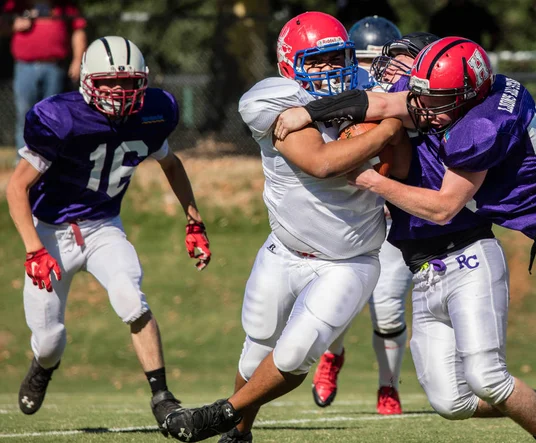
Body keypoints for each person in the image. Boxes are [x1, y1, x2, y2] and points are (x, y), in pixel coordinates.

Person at [273, 37, 536, 442]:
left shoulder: (473, 123)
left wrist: (372, 179)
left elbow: (443, 208)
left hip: (470, 253)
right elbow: (381, 104)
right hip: (422, 268)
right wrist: (307, 111)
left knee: (488, 377)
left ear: (456, 91)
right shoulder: (431, 103)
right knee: (450, 401)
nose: (397, 80)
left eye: (403, 66)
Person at [163, 11, 407, 443]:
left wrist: (387, 123)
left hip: (349, 260)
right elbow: (322, 162)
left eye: (339, 58)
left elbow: (401, 168)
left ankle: (219, 415)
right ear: (289, 66)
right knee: (256, 346)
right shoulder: (270, 99)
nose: (332, 70)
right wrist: (387, 125)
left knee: (294, 355)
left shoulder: (369, 95)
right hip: (284, 250)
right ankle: (239, 433)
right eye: (318, 61)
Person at [5, 36, 211, 437]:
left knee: (132, 299)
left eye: (129, 82)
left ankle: (162, 396)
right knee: (50, 341)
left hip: (103, 227)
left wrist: (194, 221)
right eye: (109, 83)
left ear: (144, 81)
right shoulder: (59, 117)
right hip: (51, 231)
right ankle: (42, 367)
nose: (120, 92)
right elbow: (16, 188)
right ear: (87, 81)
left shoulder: (154, 111)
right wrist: (33, 249)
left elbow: (171, 164)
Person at [311, 28, 424, 417]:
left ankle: (388, 386)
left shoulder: (413, 93)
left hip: (392, 214)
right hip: (348, 214)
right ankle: (332, 354)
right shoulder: (331, 88)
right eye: (362, 57)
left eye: (387, 57)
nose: (377, 67)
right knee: (338, 300)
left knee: (389, 308)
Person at [1, 0, 87, 160]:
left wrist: (78, 60)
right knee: (25, 116)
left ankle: (52, 159)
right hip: (25, 67)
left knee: (54, 116)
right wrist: (14, 24)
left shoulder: (65, 6)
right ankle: (24, 160)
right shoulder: (17, 5)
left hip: (55, 67)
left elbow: (78, 31)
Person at [429, 0, 500, 50]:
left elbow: (495, 33)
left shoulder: (478, 12)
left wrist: (489, 50)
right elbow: (431, 40)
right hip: (446, 57)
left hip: (474, 56)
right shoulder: (440, 16)